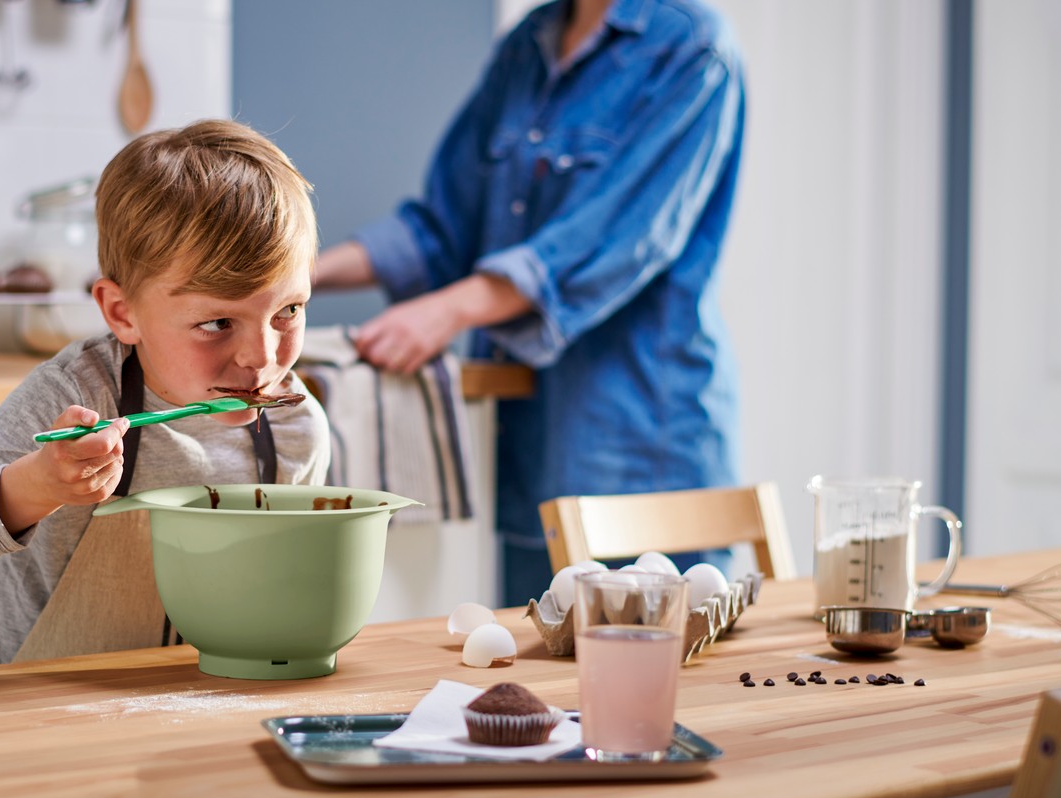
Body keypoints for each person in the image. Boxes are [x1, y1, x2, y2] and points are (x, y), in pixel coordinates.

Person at [312, 0, 746, 603]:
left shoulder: (691, 49)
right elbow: (444, 225)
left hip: (638, 436)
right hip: (525, 436)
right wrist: (294, 276)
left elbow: (612, 239)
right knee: (547, 671)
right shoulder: (527, 45)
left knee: (664, 670)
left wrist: (447, 311)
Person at [0, 120, 330, 668]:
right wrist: (32, 487)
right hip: (12, 726)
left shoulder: (293, 432)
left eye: (288, 310)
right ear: (121, 312)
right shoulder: (76, 395)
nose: (261, 355)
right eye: (218, 321)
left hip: (187, 722)